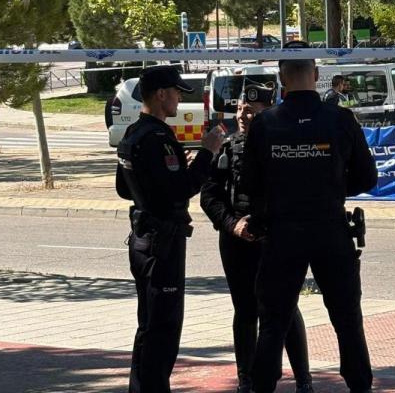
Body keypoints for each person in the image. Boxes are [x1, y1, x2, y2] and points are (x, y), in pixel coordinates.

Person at [243, 41, 378, 393]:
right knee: (348, 319)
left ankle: (261, 386)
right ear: (316, 76)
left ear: (280, 79)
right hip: (330, 229)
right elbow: (367, 178)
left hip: (282, 232)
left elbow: (249, 185)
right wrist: (330, 185)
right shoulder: (340, 120)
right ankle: (360, 385)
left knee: (272, 321)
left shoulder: (264, 124)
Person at [116, 65, 225, 392]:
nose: (180, 98)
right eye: (177, 92)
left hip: (143, 238)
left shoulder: (133, 133)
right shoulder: (158, 137)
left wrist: (157, 183)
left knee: (148, 325)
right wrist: (208, 151)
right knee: (163, 329)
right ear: (161, 94)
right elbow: (181, 189)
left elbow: (123, 188)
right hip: (163, 243)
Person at [200, 83, 313, 393]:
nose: (243, 115)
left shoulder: (285, 146)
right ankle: (245, 380)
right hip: (237, 241)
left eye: (250, 111)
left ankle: (304, 381)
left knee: (286, 309)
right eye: (239, 110)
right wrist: (232, 224)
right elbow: (209, 198)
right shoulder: (227, 147)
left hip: (277, 240)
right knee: (246, 310)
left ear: (268, 111)